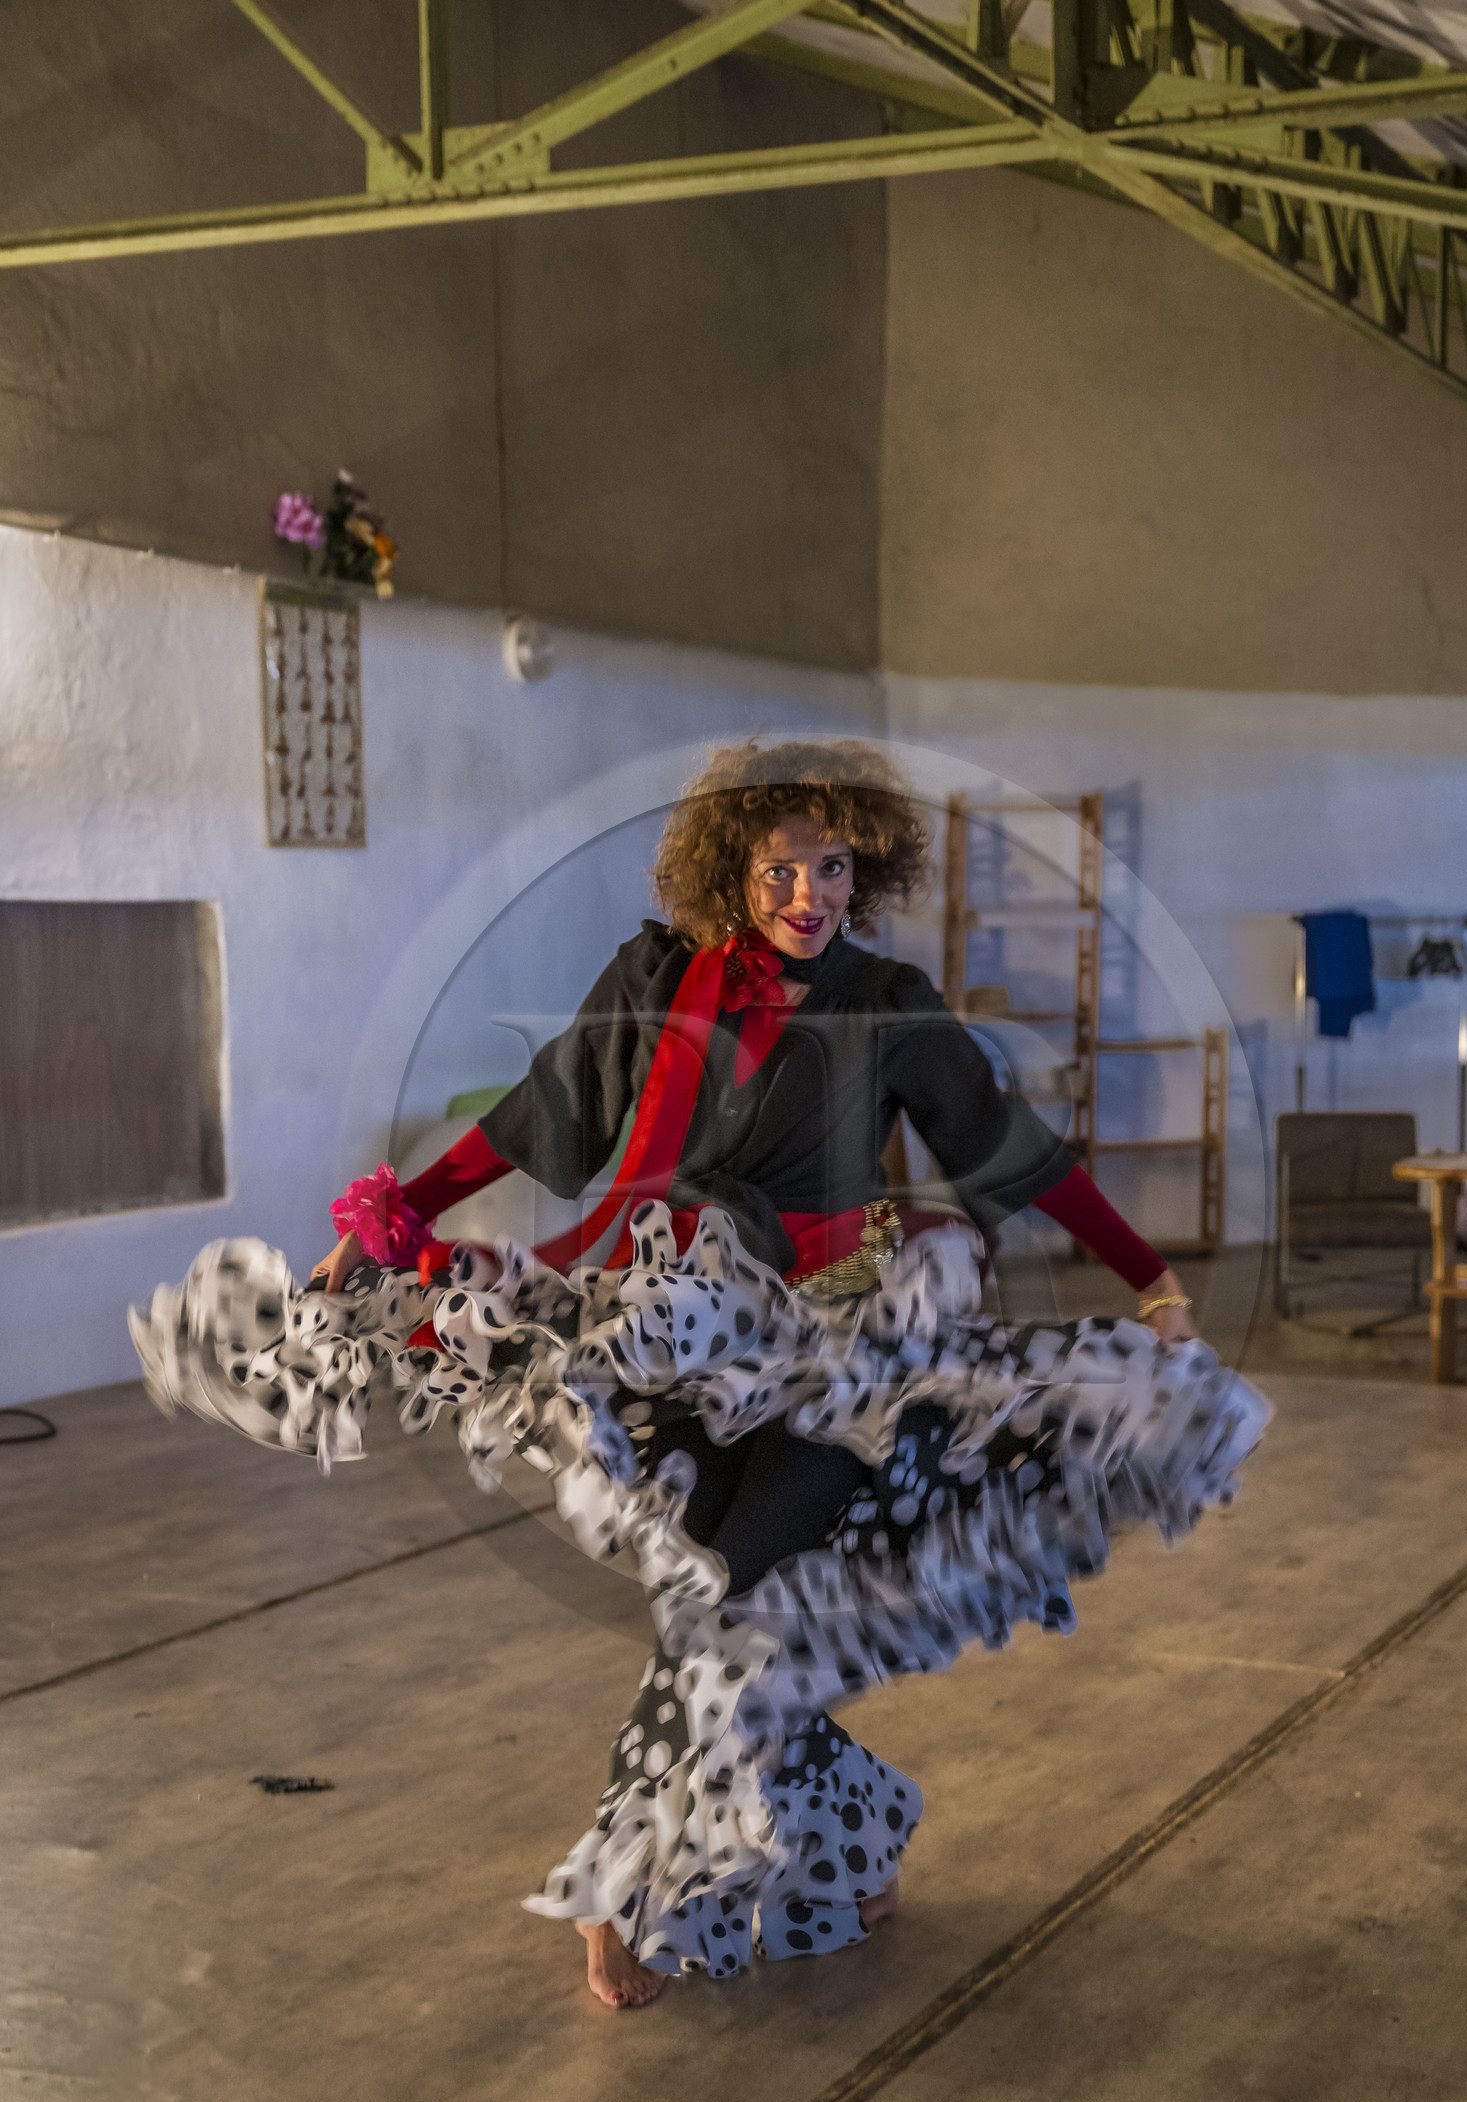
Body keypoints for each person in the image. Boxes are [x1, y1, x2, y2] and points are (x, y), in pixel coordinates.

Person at [133, 740, 1268, 2014]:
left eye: (831, 866)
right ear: (729, 874)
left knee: (730, 1604)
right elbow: (534, 1110)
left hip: (838, 1356)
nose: (808, 895)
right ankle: (857, 1832)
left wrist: (1151, 1279)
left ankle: (622, 1886)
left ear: (862, 869)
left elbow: (1016, 1154)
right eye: (780, 868)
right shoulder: (657, 984)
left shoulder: (886, 1002)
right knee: (726, 1615)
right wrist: (393, 1214)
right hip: (678, 1343)